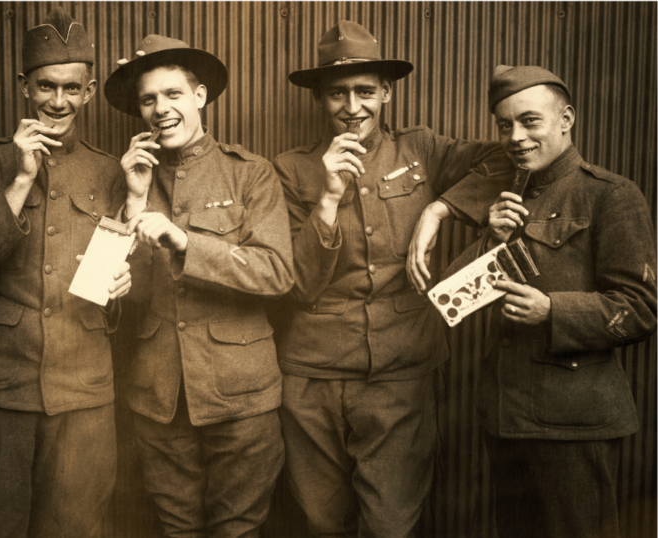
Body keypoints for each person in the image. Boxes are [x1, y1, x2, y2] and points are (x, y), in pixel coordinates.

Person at [272, 20, 506, 537]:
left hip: (401, 372)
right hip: (313, 375)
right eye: (337, 93)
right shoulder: (289, 171)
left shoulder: (420, 149)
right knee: (322, 521)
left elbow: (505, 159)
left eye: (365, 92)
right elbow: (299, 284)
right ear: (320, 99)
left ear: (387, 94)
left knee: (391, 524)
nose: (352, 107)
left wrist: (441, 209)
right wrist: (328, 198)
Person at [417, 65, 657, 538]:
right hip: (507, 417)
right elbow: (451, 300)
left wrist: (554, 311)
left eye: (531, 121)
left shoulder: (611, 195)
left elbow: (642, 307)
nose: (516, 137)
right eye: (505, 125)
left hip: (574, 423)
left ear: (565, 119)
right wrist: (492, 239)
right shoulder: (511, 195)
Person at [0, 7, 131, 538]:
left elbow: (113, 287)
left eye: (72, 88)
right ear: (24, 86)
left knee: (80, 529)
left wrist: (119, 290)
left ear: (89, 91)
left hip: (82, 393)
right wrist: (20, 182)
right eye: (46, 87)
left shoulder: (110, 172)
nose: (58, 102)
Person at [103, 35, 294, 537]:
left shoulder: (251, 174)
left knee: (237, 530)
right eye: (148, 100)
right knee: (176, 529)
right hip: (159, 398)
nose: (160, 110)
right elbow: (117, 292)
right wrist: (135, 203)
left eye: (172, 95)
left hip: (241, 397)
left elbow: (276, 272)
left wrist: (185, 240)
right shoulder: (127, 179)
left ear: (200, 97)